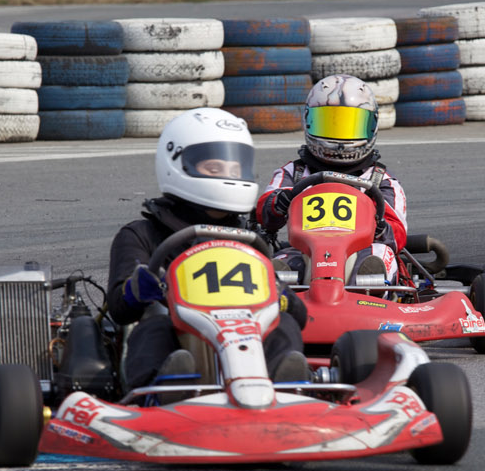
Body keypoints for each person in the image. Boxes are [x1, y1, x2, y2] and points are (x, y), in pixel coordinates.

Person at [107, 107, 309, 394]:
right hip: (181, 340)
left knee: (283, 323)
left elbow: (301, 316)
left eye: (235, 169)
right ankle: (163, 392)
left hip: (243, 337)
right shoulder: (143, 234)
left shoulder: (247, 240)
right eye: (214, 168)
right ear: (177, 163)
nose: (227, 175)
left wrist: (283, 297)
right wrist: (136, 289)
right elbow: (118, 309)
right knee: (156, 323)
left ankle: (286, 388)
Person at [255, 73, 409, 282]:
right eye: (328, 124)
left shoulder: (380, 180)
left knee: (378, 257)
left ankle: (371, 292)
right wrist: (279, 203)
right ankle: (283, 293)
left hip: (362, 251)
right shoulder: (295, 173)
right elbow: (263, 211)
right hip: (306, 250)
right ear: (309, 121)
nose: (339, 138)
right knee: (280, 263)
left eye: (350, 125)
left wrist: (380, 226)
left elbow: (397, 235)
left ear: (371, 126)